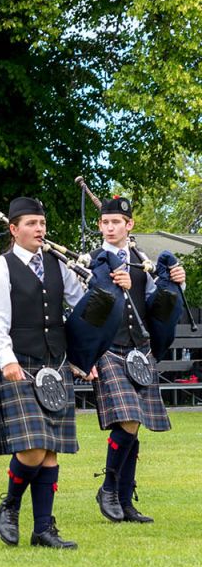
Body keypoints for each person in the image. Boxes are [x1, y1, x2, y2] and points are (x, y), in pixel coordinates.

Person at [0, 196, 90, 549]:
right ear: (14, 230)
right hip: (20, 363)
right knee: (33, 447)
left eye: (42, 223)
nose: (39, 229)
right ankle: (11, 505)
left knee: (51, 450)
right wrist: (6, 360)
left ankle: (43, 529)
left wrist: (101, 280)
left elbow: (81, 304)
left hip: (55, 364)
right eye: (31, 223)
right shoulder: (2, 266)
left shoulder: (58, 263)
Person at [91, 196, 186, 524]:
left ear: (129, 225)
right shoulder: (93, 260)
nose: (110, 227)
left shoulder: (142, 261)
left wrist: (177, 281)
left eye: (116, 222)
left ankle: (124, 499)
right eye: (105, 222)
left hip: (139, 350)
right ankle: (108, 488)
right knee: (129, 418)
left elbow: (156, 302)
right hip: (107, 348)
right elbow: (81, 307)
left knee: (133, 425)